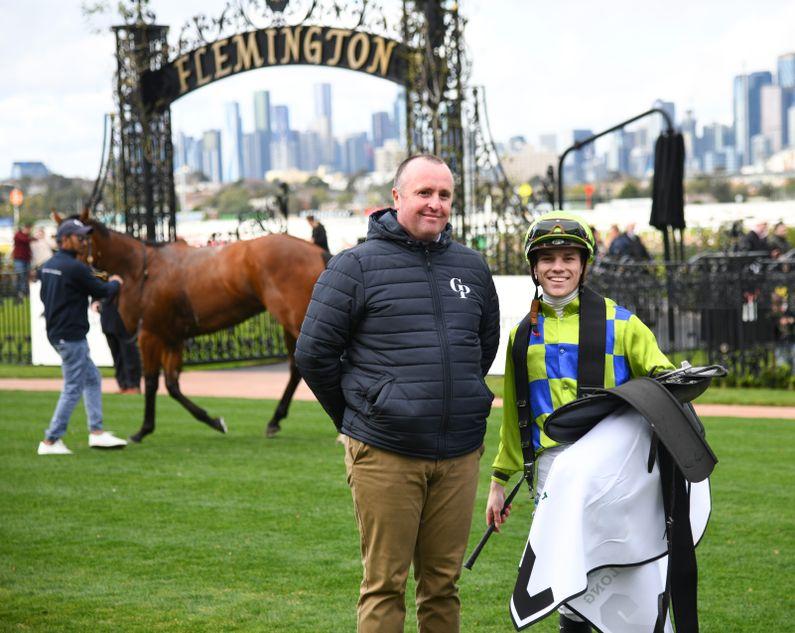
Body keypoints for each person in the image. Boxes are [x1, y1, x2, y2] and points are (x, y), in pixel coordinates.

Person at [295, 154, 500, 633]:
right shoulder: (355, 266)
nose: (435, 204)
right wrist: (361, 413)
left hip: (458, 453)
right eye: (424, 193)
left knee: (443, 586)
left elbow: (480, 348)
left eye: (444, 195)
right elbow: (313, 353)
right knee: (385, 585)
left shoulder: (471, 267)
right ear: (397, 198)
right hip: (385, 452)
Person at [484, 212, 674, 633]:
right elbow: (516, 415)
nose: (558, 267)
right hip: (555, 472)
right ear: (534, 267)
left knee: (628, 569)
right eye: (548, 258)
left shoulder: (621, 323)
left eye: (569, 257)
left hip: (616, 471)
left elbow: (662, 379)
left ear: (583, 265)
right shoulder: (520, 337)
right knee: (569, 582)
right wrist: (499, 482)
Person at [37, 218, 128, 455]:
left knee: (92, 378)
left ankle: (96, 433)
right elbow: (101, 290)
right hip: (71, 335)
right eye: (80, 237)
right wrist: (116, 283)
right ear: (64, 239)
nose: (84, 241)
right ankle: (51, 440)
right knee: (73, 386)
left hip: (58, 333)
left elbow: (45, 297)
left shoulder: (48, 266)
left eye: (85, 237)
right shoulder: (75, 267)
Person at [93, 296, 142, 394]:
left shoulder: (124, 281)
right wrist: (94, 302)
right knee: (117, 356)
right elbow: (97, 289)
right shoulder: (104, 281)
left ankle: (133, 385)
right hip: (107, 320)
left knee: (129, 354)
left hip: (125, 321)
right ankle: (123, 385)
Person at [12, 222, 35, 300]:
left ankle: (24, 294)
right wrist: (33, 238)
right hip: (19, 260)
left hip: (26, 259)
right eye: (28, 229)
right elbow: (25, 240)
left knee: (25, 278)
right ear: (25, 228)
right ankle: (19, 294)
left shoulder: (27, 236)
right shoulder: (18, 235)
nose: (29, 231)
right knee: (20, 276)